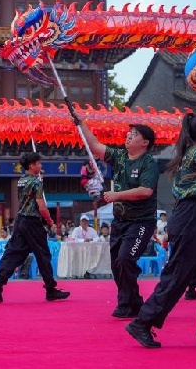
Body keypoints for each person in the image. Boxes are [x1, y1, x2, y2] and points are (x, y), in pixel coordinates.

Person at [125, 113, 196, 348]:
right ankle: (143, 322)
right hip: (191, 218)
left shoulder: (190, 155)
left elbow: (191, 194)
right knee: (178, 275)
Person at [81, 122, 160, 319]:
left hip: (141, 222)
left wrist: (117, 195)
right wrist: (80, 124)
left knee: (125, 259)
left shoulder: (149, 163)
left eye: (134, 134)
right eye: (129, 133)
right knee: (117, 264)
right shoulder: (120, 157)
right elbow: (96, 146)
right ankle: (135, 303)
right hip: (120, 222)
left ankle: (126, 303)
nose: (128, 136)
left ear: (145, 142)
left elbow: (145, 191)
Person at [0, 152, 69, 303]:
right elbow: (41, 206)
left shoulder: (21, 181)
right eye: (38, 163)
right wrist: (49, 219)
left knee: (15, 252)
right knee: (43, 254)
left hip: (21, 221)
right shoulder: (36, 183)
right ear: (32, 165)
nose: (41, 165)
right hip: (32, 222)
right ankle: (50, 289)